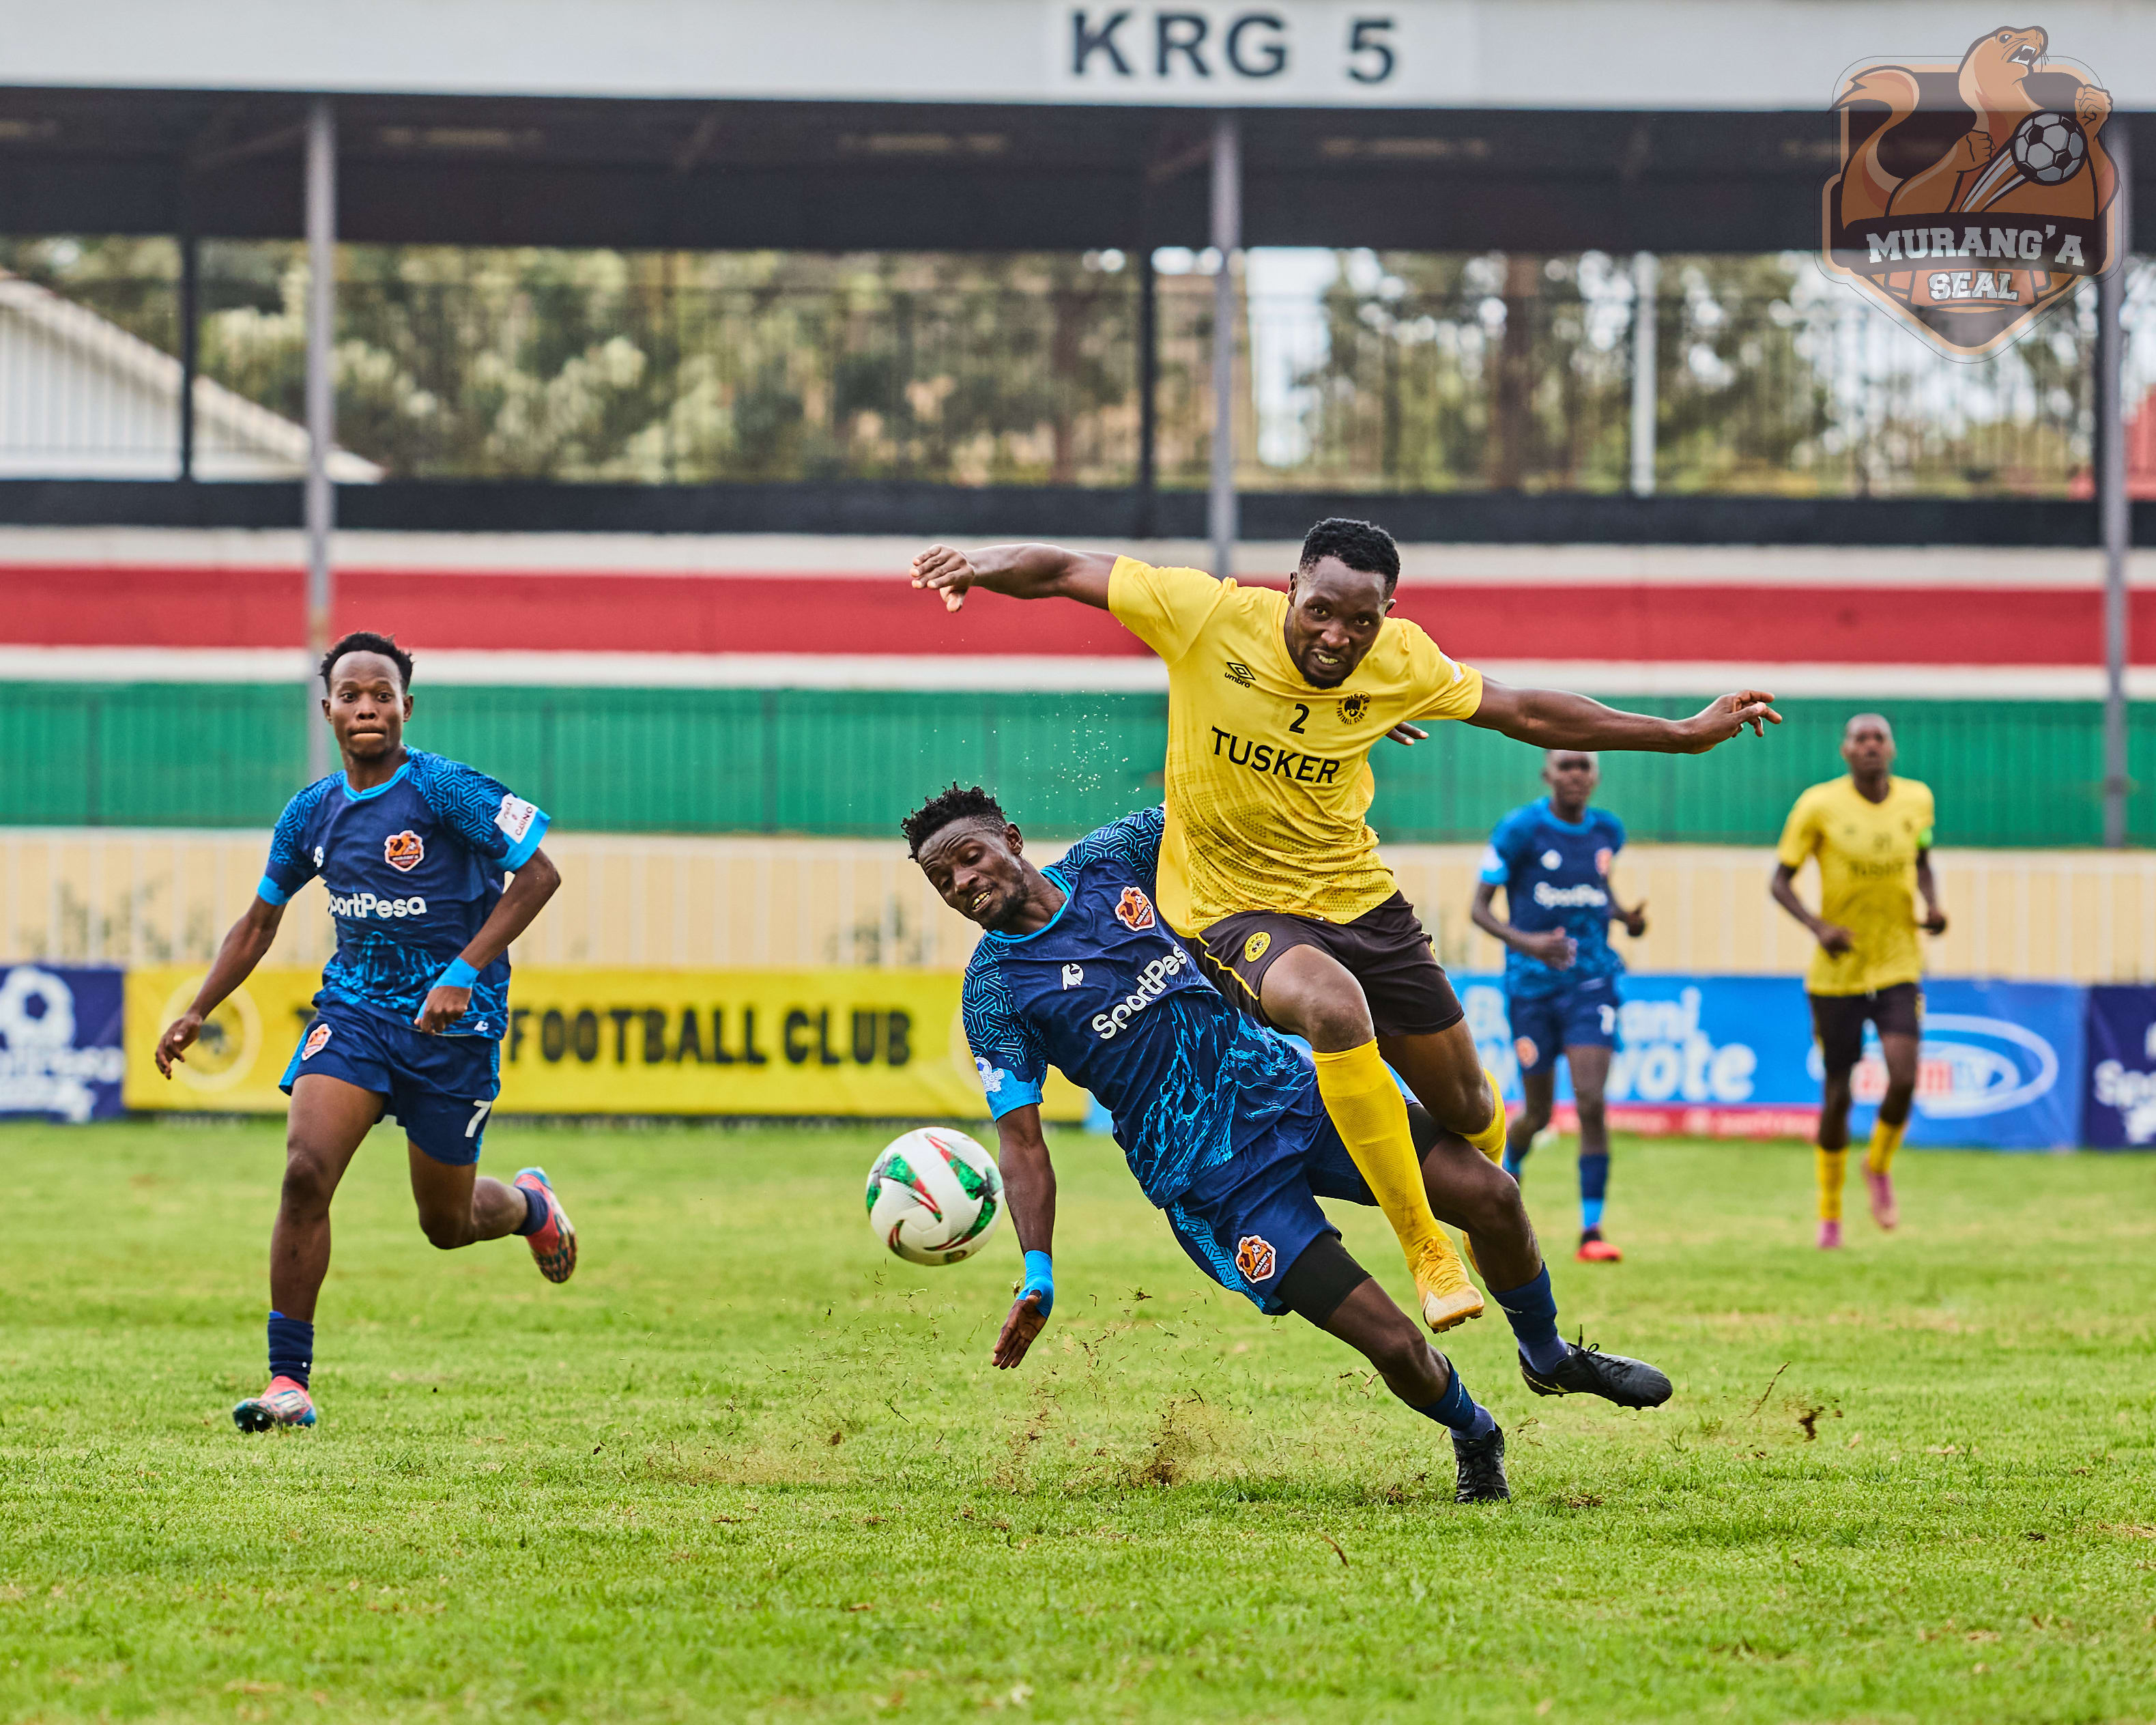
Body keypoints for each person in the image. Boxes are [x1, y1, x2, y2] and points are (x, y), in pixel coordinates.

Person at [908, 520, 1777, 1335]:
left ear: (1387, 616)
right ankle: (1426, 1250)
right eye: (1320, 611)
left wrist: (1681, 733)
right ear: (1289, 589)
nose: (1335, 636)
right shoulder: (1206, 613)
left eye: (1359, 621)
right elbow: (1065, 571)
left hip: (1357, 897)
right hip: (1239, 910)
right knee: (1330, 1007)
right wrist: (974, 567)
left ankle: (1528, 1319)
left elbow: (1524, 711)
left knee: (1477, 1117)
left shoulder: (1396, 660)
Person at [904, 785, 1675, 1505]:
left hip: (1296, 1097)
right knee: (1399, 1344)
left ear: (1010, 838)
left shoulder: (1116, 856)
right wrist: (1036, 1270)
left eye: (969, 856)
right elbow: (1024, 1145)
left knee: (1494, 1197)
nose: (962, 882)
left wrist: (1348, 712)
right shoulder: (996, 991)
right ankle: (1477, 1433)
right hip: (1215, 1180)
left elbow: (1233, 793)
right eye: (944, 880)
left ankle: (1547, 1356)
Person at [154, 631, 573, 1431]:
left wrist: (463, 969)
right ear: (329, 711)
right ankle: (289, 1383)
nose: (368, 707)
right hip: (355, 1015)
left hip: (456, 1029)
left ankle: (528, 1206)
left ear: (406, 708)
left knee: (444, 1226)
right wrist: (198, 1006)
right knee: (305, 1171)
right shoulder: (312, 811)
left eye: (382, 694)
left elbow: (542, 874)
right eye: (352, 695)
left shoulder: (447, 791)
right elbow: (258, 923)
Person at [1770, 713, 1946, 1248]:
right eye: (1860, 739)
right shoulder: (1817, 805)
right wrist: (1817, 926)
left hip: (1897, 963)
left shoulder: (1917, 799)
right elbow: (1779, 881)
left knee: (1903, 1074)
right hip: (1837, 973)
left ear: (1891, 749)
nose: (1870, 746)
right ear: (1845, 751)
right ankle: (1829, 1213)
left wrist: (1933, 905)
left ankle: (1878, 1165)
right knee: (1837, 1092)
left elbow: (1921, 859)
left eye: (1879, 738)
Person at [1471, 750, 1645, 1262]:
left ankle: (1591, 1231)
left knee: (1591, 1100)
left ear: (1595, 776)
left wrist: (1625, 916)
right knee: (1540, 1113)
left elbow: (1593, 890)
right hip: (1531, 986)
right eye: (1565, 765)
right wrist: (1528, 943)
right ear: (1547, 773)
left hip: (1593, 981)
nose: (1574, 774)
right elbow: (1479, 909)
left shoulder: (1607, 831)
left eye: (1583, 766)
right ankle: (1514, 1161)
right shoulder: (1520, 829)